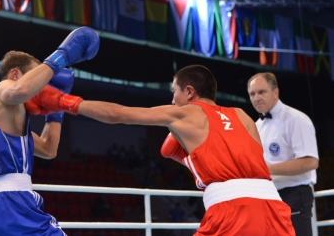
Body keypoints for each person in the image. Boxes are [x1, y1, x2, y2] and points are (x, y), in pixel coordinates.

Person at [26, 64, 295, 236]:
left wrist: (63, 101)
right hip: (275, 211)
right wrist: (191, 160)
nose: (171, 100)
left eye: (174, 92)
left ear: (189, 92)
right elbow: (252, 166)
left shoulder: (186, 113)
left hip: (233, 214)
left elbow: (120, 114)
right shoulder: (243, 115)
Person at [0, 26, 100, 236]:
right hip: (9, 205)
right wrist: (61, 56)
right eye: (38, 78)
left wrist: (55, 110)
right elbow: (20, 89)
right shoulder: (3, 88)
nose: (42, 86)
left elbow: (49, 148)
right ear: (15, 74)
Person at [247, 72, 319, 236]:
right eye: (252, 94)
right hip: (268, 196)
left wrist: (266, 169)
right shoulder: (257, 126)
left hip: (294, 194)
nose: (256, 97)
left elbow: (310, 162)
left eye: (262, 92)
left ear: (275, 92)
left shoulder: (296, 119)